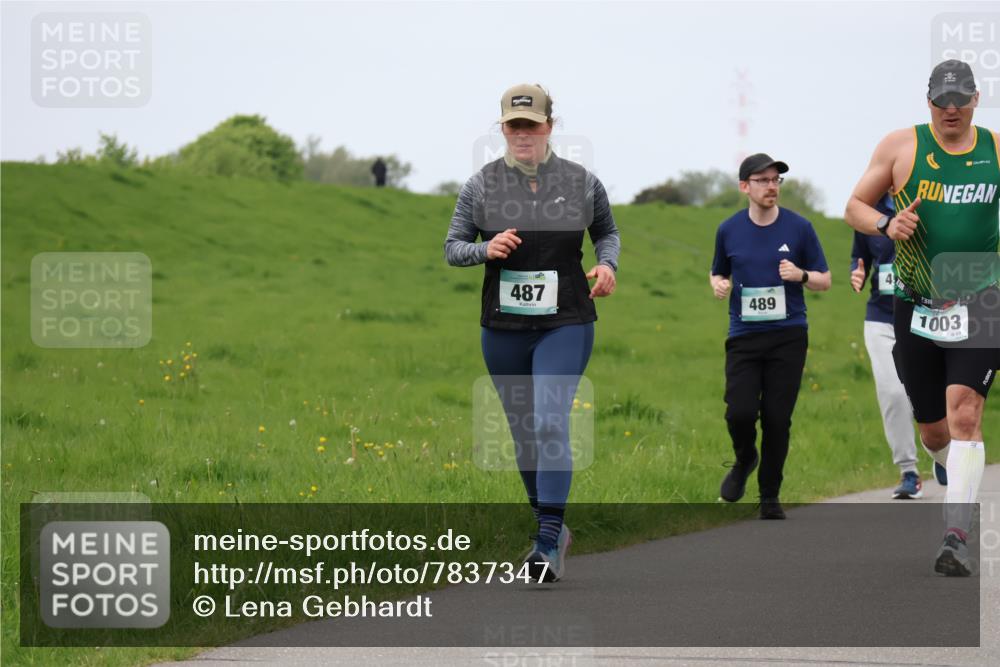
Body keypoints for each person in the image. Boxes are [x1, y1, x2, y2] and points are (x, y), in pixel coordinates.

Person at [443, 83, 620, 582]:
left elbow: (606, 231)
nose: (524, 134)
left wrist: (607, 265)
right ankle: (551, 529)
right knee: (523, 436)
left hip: (566, 321)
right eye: (514, 125)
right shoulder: (481, 186)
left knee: (547, 422)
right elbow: (453, 247)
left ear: (549, 126)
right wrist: (485, 249)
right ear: (502, 128)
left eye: (533, 124)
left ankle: (546, 539)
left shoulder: (582, 182)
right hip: (503, 327)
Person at [844, 60, 999, 576]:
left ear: (976, 99)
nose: (950, 109)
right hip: (917, 304)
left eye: (960, 99)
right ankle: (944, 463)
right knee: (934, 430)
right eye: (941, 100)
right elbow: (854, 207)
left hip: (980, 299)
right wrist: (888, 222)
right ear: (927, 100)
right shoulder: (901, 146)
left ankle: (956, 533)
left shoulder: (995, 149)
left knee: (965, 415)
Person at [710, 153, 831, 519]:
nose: (771, 186)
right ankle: (745, 458)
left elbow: (825, 279)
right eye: (762, 180)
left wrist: (802, 275)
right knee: (740, 413)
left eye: (776, 180)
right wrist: (719, 283)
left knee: (778, 419)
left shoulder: (799, 228)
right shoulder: (728, 229)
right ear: (745, 186)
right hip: (744, 336)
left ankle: (769, 495)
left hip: (788, 335)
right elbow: (717, 271)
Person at [849, 193, 927, 499]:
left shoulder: (928, 201)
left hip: (926, 316)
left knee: (929, 390)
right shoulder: (868, 212)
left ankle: (939, 447)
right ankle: (908, 471)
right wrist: (857, 274)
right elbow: (860, 260)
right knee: (893, 393)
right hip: (881, 318)